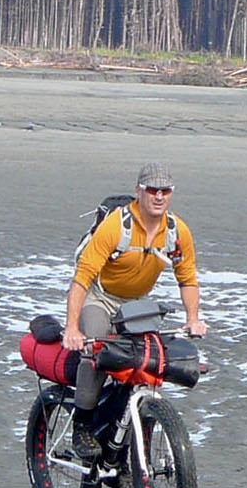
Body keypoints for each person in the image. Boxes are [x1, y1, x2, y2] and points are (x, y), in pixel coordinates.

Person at [61, 162, 207, 454]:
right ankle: (82, 426)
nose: (158, 196)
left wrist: (193, 318)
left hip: (137, 304)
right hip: (100, 297)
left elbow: (187, 277)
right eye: (152, 190)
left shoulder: (176, 231)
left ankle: (123, 443)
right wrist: (72, 328)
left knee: (146, 362)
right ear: (138, 191)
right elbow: (82, 278)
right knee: (96, 353)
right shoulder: (116, 226)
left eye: (165, 191)